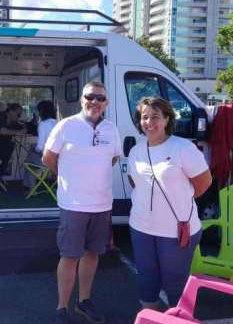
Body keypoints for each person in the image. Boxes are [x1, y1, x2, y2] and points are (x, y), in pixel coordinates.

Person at [43, 81, 121, 324]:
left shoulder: (111, 129)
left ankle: (83, 301)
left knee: (92, 255)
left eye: (100, 98)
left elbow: (113, 159)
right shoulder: (66, 126)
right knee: (69, 256)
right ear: (82, 99)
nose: (95, 102)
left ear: (106, 103)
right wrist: (70, 177)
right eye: (90, 97)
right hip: (73, 205)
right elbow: (48, 159)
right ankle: (62, 308)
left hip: (101, 205)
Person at [127, 96, 212, 310]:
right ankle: (150, 317)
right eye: (144, 117)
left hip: (176, 230)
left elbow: (203, 183)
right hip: (141, 227)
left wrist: (180, 199)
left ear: (167, 119)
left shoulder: (183, 148)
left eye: (155, 117)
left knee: (175, 281)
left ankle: (180, 318)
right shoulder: (136, 151)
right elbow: (134, 182)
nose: (149, 122)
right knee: (146, 277)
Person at [0, 103, 26, 194]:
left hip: (4, 147)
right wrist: (18, 132)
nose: (19, 117)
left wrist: (25, 127)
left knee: (3, 160)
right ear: (11, 111)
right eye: (18, 114)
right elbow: (2, 131)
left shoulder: (13, 121)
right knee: (1, 159)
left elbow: (21, 128)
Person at [23, 100, 57, 188]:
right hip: (58, 160)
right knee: (32, 157)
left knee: (27, 161)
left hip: (48, 160)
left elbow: (40, 147)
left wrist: (33, 149)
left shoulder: (43, 124)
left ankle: (31, 187)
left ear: (41, 112)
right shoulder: (58, 123)